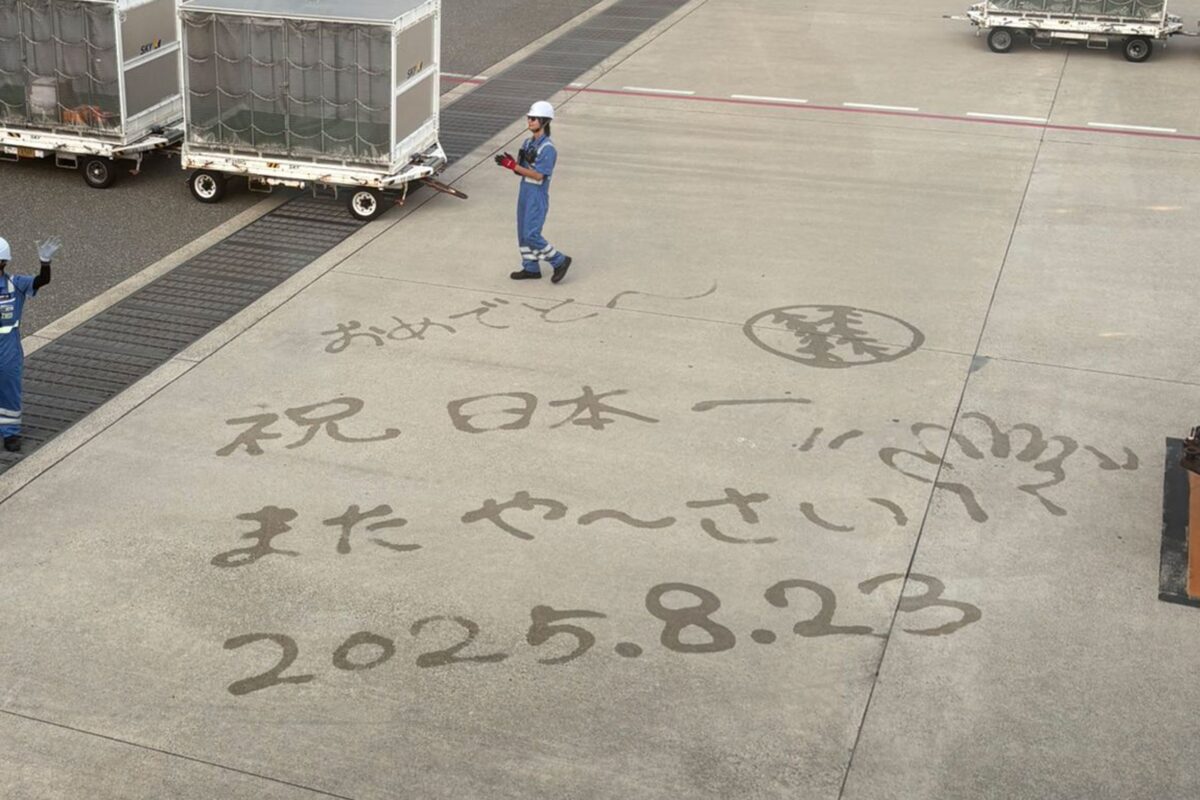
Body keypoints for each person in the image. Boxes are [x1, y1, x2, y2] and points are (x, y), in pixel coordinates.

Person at [495, 100, 573, 283]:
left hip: (537, 195)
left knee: (531, 234)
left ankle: (559, 260)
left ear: (544, 121)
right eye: (529, 118)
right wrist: (512, 165)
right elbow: (521, 170)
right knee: (522, 232)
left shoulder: (548, 149)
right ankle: (530, 267)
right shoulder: (527, 143)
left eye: (533, 118)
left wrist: (514, 166)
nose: (529, 121)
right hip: (525, 191)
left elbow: (539, 176)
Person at [0, 235, 62, 453]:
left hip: (7, 347)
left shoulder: (15, 284)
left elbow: (40, 281)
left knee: (9, 389)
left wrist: (45, 263)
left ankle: (10, 434)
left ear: (3, 263)